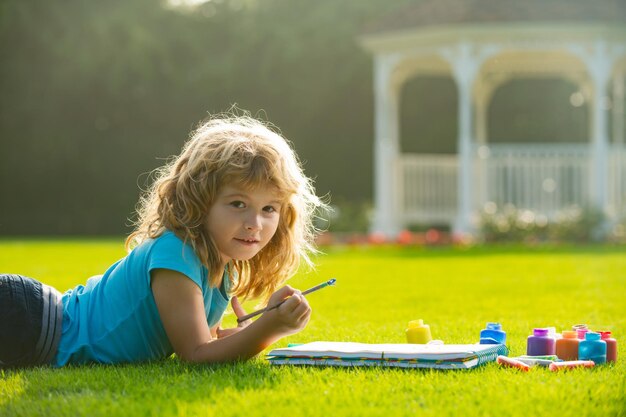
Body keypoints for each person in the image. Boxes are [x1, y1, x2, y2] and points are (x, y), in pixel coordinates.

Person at [0, 112, 326, 367]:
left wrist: (246, 332)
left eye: (269, 208)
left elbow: (210, 343)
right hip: (32, 323)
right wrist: (269, 328)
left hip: (35, 330)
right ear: (200, 200)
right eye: (238, 204)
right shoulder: (178, 252)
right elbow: (196, 353)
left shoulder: (220, 268)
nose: (254, 223)